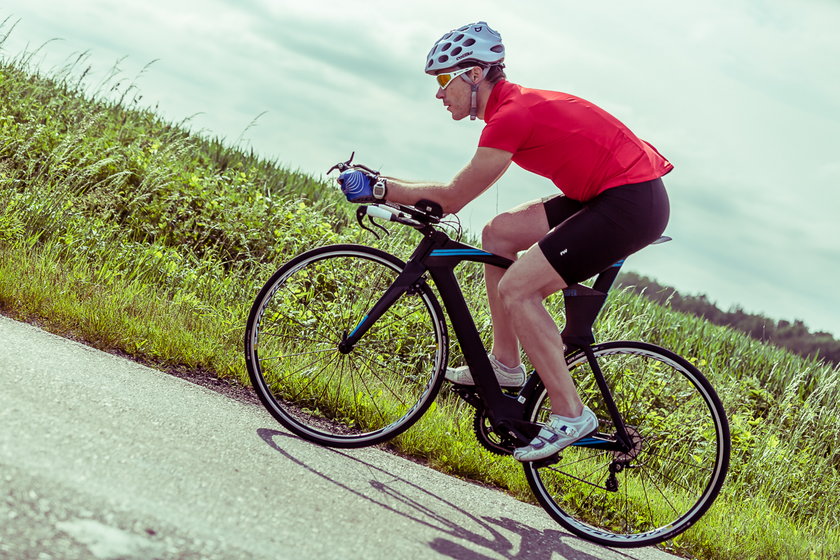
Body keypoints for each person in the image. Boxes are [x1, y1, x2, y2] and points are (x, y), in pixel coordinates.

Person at [337, 21, 672, 462]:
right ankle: (506, 366)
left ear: (475, 74)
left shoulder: (512, 115)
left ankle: (571, 413)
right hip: (604, 191)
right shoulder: (510, 109)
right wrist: (385, 184)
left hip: (630, 201)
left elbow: (453, 198)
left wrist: (380, 189)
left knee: (519, 288)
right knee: (498, 234)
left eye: (444, 80)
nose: (439, 94)